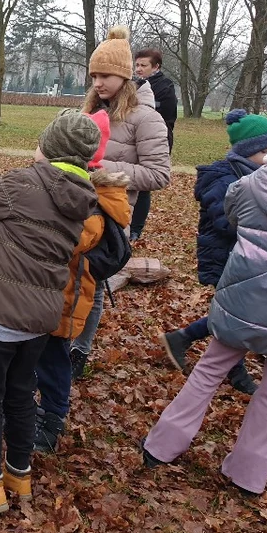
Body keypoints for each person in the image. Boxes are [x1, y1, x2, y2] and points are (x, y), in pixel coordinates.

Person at [142, 95, 267, 495]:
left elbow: (233, 219)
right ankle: (249, 473)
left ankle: (161, 447)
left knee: (208, 371)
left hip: (242, 300)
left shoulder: (249, 185)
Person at [0, 110, 100, 513]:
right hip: (39, 320)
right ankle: (20, 476)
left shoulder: (21, 183)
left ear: (48, 147)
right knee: (20, 396)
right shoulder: (83, 197)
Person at [68, 27, 172, 379]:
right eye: (94, 75)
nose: (98, 82)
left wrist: (103, 169)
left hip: (112, 215)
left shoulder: (147, 118)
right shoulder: (88, 112)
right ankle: (60, 339)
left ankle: (78, 352)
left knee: (93, 283)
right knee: (69, 277)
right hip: (76, 209)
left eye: (106, 75)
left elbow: (159, 174)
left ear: (125, 76)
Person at [159, 110, 267, 395]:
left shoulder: (258, 176)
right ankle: (232, 371)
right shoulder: (222, 178)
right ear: (250, 150)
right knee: (239, 316)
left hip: (248, 258)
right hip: (225, 256)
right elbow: (225, 221)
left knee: (243, 313)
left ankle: (183, 339)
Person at [33, 111, 132, 453]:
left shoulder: (87, 203)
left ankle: (51, 419)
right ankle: (35, 409)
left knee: (54, 364)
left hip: (65, 299)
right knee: (38, 358)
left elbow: (67, 240)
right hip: (50, 295)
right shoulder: (82, 193)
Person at [130, 48, 178, 241]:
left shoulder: (165, 87)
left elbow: (167, 119)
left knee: (142, 187)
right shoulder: (131, 84)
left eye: (144, 65)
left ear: (156, 66)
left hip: (154, 140)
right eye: (137, 65)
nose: (139, 69)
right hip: (131, 138)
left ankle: (135, 229)